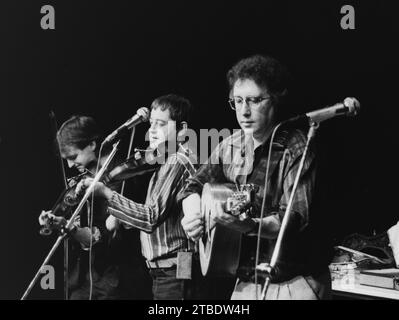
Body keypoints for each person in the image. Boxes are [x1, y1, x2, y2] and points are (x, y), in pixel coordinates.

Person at [179, 54, 332, 300]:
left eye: (254, 100)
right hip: (246, 280)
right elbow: (191, 186)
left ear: (275, 99)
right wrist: (193, 216)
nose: (244, 111)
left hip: (292, 282)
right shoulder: (229, 146)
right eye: (237, 101)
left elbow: (293, 220)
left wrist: (250, 226)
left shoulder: (295, 147)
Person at [76, 94, 205, 300]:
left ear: (182, 130)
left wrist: (107, 193)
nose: (152, 130)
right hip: (165, 272)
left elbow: (149, 218)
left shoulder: (178, 159)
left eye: (161, 124)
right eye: (151, 123)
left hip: (177, 270)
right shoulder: (163, 163)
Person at [39, 115, 151, 300]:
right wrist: (55, 220)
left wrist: (73, 229)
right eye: (65, 159)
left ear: (92, 144)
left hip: (115, 281)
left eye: (73, 156)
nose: (69, 164)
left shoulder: (123, 176)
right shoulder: (82, 179)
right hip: (81, 280)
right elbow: (66, 211)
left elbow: (108, 232)